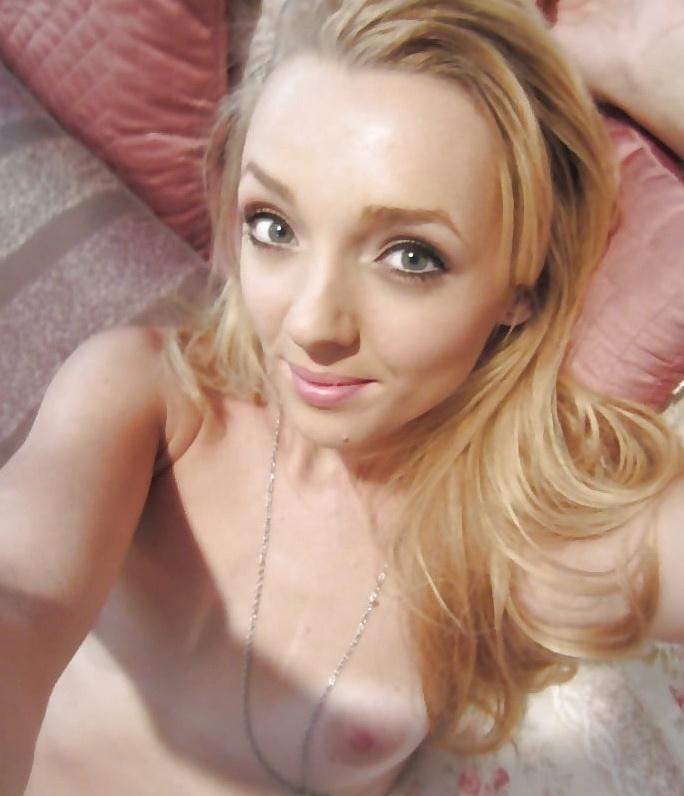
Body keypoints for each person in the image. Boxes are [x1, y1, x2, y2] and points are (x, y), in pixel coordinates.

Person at [1, 0, 682, 794]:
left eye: (411, 256)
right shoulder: (150, 401)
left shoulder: (504, 539)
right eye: (274, 226)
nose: (312, 324)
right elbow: (22, 596)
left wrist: (637, 65)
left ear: (522, 286)